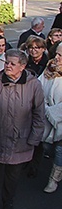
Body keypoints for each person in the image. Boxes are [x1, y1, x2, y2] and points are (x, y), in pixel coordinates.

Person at [0, 49, 44, 209]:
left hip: (20, 141)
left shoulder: (34, 85)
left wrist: (34, 140)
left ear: (22, 66)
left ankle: (8, 202)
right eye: (7, 62)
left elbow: (38, 115)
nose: (8, 66)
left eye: (12, 64)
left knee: (12, 177)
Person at [40, 43, 62, 193]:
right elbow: (39, 85)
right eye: (57, 54)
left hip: (58, 114)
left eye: (61, 56)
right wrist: (45, 108)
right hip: (47, 113)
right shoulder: (50, 68)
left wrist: (54, 111)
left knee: (60, 149)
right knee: (47, 146)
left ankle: (54, 179)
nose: (57, 58)